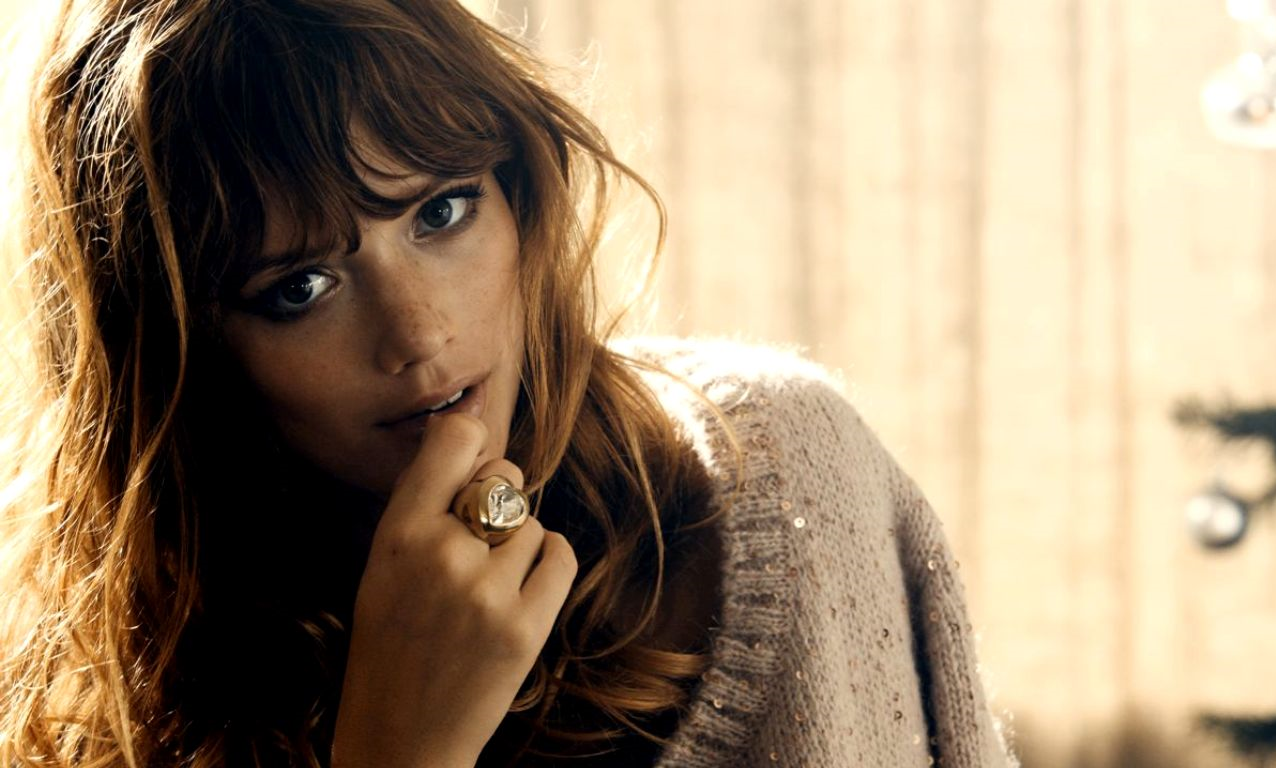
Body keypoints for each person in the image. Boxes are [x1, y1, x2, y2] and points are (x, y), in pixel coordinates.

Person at [0, 1, 1016, 766]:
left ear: (520, 194)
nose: (420, 335)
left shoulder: (781, 476)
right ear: (178, 356)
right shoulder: (114, 693)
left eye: (441, 212)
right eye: (298, 288)